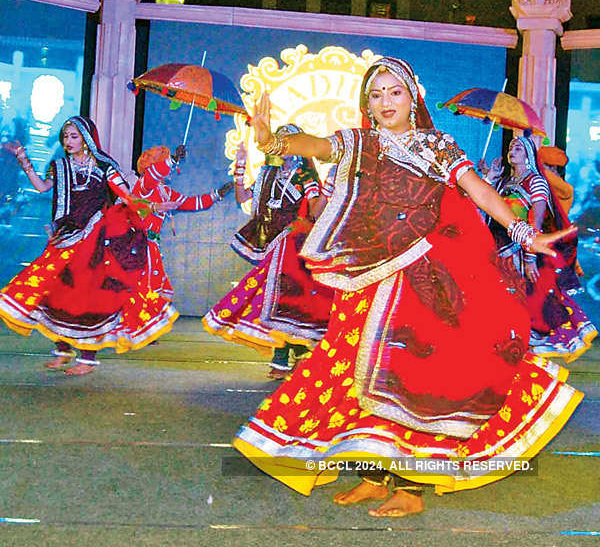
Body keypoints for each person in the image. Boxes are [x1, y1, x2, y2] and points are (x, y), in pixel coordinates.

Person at [232, 57, 582, 517]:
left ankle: (410, 487)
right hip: (368, 278)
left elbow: (477, 189)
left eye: (393, 92)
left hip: (425, 280)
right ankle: (374, 475)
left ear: (412, 96)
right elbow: (316, 144)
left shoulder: (436, 146)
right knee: (354, 371)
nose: (384, 102)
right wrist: (270, 139)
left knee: (412, 375)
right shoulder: (360, 143)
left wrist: (525, 234)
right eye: (375, 95)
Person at [0, 116, 178, 375]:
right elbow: (41, 187)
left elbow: (126, 197)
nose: (68, 142)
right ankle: (62, 350)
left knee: (88, 299)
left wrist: (152, 206)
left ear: (86, 138)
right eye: (65, 137)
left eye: (74, 136)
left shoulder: (105, 166)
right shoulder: (60, 166)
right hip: (66, 238)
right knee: (55, 292)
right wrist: (22, 157)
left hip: (95, 241)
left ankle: (87, 358)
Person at [202, 125, 333, 379]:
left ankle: (285, 358)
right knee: (273, 299)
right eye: (279, 140)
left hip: (293, 245)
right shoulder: (267, 173)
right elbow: (243, 198)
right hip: (270, 243)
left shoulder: (304, 175)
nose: (282, 144)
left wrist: (328, 190)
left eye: (288, 140)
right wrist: (240, 167)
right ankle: (292, 356)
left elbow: (316, 210)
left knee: (283, 299)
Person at [482, 136, 596, 362]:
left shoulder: (536, 182)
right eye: (510, 147)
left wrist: (530, 257)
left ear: (528, 154)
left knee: (522, 310)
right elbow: (485, 211)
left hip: (519, 254)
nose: (511, 150)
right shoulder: (503, 182)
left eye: (518, 147)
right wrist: (489, 178)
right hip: (496, 252)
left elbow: (536, 221)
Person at [132, 143, 233, 302]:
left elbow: (191, 203)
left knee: (151, 291)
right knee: (139, 289)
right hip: (134, 245)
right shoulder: (144, 185)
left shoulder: (165, 191)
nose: (169, 169)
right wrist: (171, 161)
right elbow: (152, 177)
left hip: (151, 246)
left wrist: (217, 194)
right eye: (163, 162)